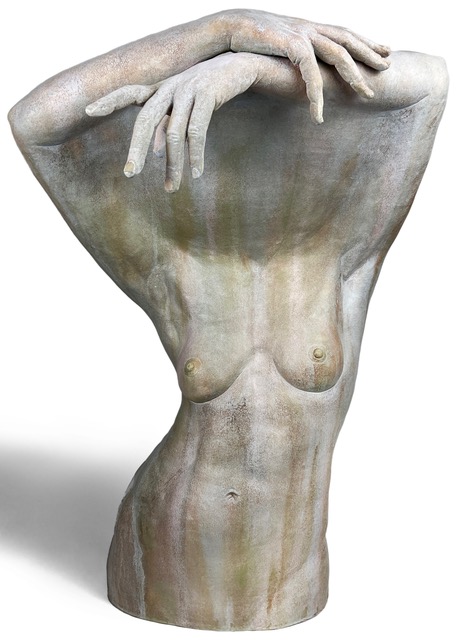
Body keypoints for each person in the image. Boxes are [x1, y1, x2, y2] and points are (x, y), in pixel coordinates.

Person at [8, 9, 448, 631]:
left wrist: (254, 67)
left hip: (292, 578)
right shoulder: (171, 263)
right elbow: (36, 122)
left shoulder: (343, 249)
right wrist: (220, 30)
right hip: (165, 552)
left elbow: (428, 82)